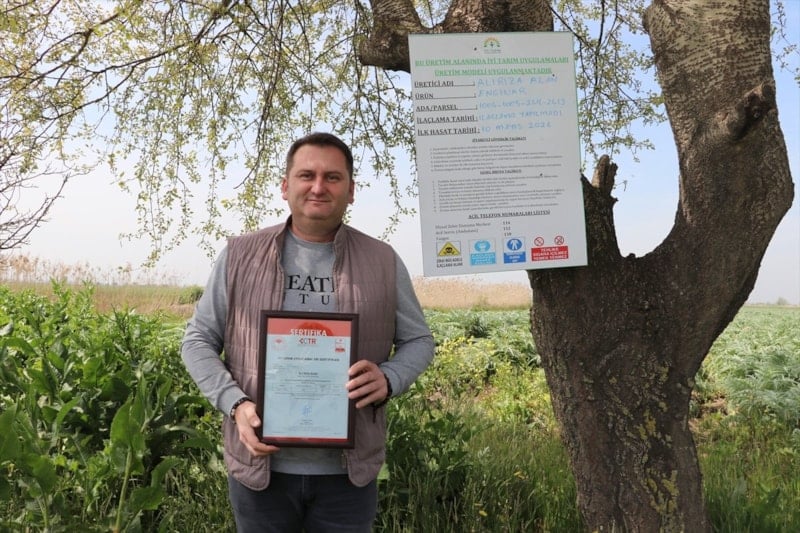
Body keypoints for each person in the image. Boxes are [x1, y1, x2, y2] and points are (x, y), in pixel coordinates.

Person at [181, 132, 435, 532]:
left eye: (332, 177)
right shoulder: (239, 256)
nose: (318, 187)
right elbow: (197, 341)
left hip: (347, 474)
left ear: (351, 191)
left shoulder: (382, 260)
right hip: (259, 469)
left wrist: (389, 378)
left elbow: (418, 340)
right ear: (286, 186)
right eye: (306, 175)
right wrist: (236, 404)